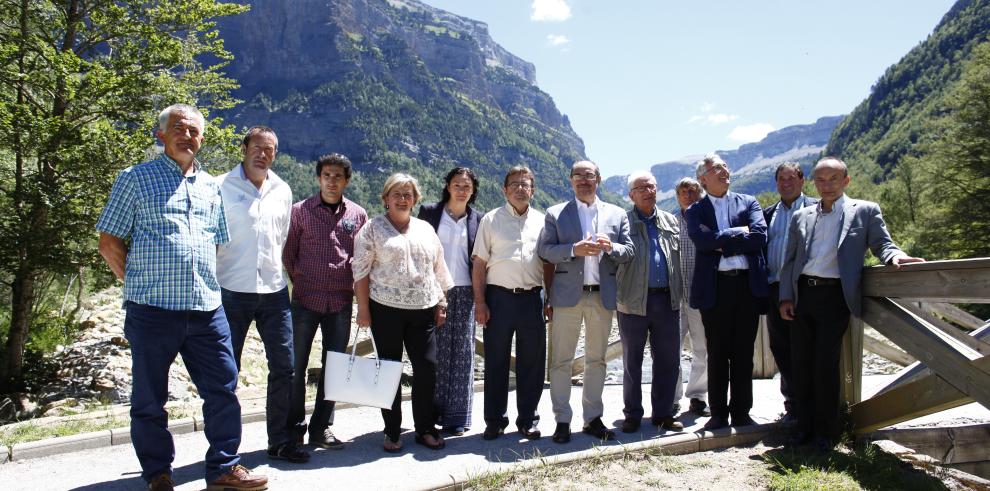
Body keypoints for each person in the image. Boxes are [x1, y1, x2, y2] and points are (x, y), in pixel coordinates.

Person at [96, 104, 267, 491]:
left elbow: (216, 242)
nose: (187, 136)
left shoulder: (210, 187)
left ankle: (224, 468)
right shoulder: (135, 179)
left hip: (206, 308)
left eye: (193, 131)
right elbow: (109, 243)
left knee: (223, 390)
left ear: (202, 139)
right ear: (161, 135)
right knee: (150, 398)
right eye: (178, 129)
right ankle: (158, 473)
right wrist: (137, 284)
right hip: (153, 311)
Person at [779, 157, 923, 451]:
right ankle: (802, 430)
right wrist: (786, 297)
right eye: (821, 180)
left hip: (835, 297)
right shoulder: (802, 215)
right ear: (813, 183)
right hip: (803, 294)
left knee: (825, 366)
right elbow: (790, 260)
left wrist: (895, 257)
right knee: (801, 366)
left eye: (833, 178)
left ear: (846, 180)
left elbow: (883, 244)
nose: (827, 185)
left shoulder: (865, 211)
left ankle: (825, 434)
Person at [217, 126, 308, 463]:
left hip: (273, 290)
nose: (263, 154)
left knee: (285, 368)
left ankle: (281, 441)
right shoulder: (219, 186)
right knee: (227, 371)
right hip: (231, 289)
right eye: (257, 147)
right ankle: (225, 450)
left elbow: (281, 237)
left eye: (269, 149)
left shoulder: (282, 190)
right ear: (244, 148)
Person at [353, 173, 454, 453]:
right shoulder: (372, 229)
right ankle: (393, 430)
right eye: (396, 193)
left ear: (416, 198)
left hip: (423, 309)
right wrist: (363, 309)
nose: (402, 198)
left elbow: (438, 268)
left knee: (427, 369)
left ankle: (424, 428)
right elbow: (360, 271)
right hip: (384, 310)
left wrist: (442, 303)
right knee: (388, 370)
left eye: (408, 193)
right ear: (386, 198)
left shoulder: (425, 229)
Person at [538, 160, 633, 443]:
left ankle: (592, 418)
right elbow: (544, 250)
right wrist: (573, 249)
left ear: (598, 180)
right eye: (577, 175)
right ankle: (562, 420)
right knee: (561, 361)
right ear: (571, 181)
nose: (583, 180)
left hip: (601, 295)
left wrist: (611, 246)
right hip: (567, 296)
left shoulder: (617, 214)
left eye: (588, 175)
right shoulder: (555, 213)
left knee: (597, 360)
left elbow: (628, 251)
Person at [283, 153, 368, 449]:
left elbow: (361, 258)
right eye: (327, 175)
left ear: (346, 181)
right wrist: (302, 278)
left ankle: (321, 428)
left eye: (338, 176)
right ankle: (294, 428)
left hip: (341, 303)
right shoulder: (300, 211)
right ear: (319, 178)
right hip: (305, 299)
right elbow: (288, 253)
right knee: (296, 368)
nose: (332, 181)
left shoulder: (357, 215)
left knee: (334, 367)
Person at [684, 153, 768, 431]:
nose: (723, 171)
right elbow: (702, 242)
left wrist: (722, 240)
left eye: (724, 166)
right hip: (715, 289)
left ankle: (742, 413)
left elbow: (758, 237)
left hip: (746, 286)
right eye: (715, 168)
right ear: (703, 179)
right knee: (717, 352)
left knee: (744, 352)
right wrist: (737, 234)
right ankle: (718, 413)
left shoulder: (749, 202)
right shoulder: (695, 210)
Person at [472, 166, 551, 441]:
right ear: (505, 190)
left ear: (533, 190)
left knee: (533, 363)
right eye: (514, 184)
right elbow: (479, 264)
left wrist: (548, 299)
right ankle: (495, 420)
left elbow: (549, 263)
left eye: (525, 184)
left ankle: (528, 420)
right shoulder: (490, 220)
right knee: (495, 361)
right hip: (499, 298)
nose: (520, 188)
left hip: (532, 299)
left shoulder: (543, 221)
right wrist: (480, 302)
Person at [615, 172, 683, 433]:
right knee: (632, 362)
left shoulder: (670, 221)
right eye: (641, 188)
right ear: (631, 195)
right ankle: (632, 414)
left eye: (652, 186)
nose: (648, 191)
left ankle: (663, 413)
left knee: (668, 360)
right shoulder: (623, 221)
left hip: (667, 300)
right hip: (633, 302)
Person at [418, 167, 483, 435]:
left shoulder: (478, 219)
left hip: (466, 292)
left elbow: (479, 261)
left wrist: (481, 299)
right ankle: (432, 414)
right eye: (457, 184)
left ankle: (457, 417)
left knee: (464, 354)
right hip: (435, 291)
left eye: (467, 186)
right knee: (437, 354)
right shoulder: (430, 213)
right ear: (447, 186)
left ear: (473, 191)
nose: (461, 189)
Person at [763, 162, 817, 422]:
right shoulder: (768, 213)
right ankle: (792, 406)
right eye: (781, 179)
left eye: (791, 178)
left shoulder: (817, 208)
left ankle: (810, 408)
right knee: (781, 348)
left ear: (802, 180)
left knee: (805, 348)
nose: (786, 183)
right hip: (774, 290)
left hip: (804, 290)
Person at [672, 177, 710, 418]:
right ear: (677, 196)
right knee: (669, 349)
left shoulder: (708, 221)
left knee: (702, 348)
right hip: (674, 296)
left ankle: (697, 397)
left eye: (693, 191)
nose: (688, 195)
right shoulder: (668, 222)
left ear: (701, 193)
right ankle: (671, 398)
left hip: (700, 294)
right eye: (683, 192)